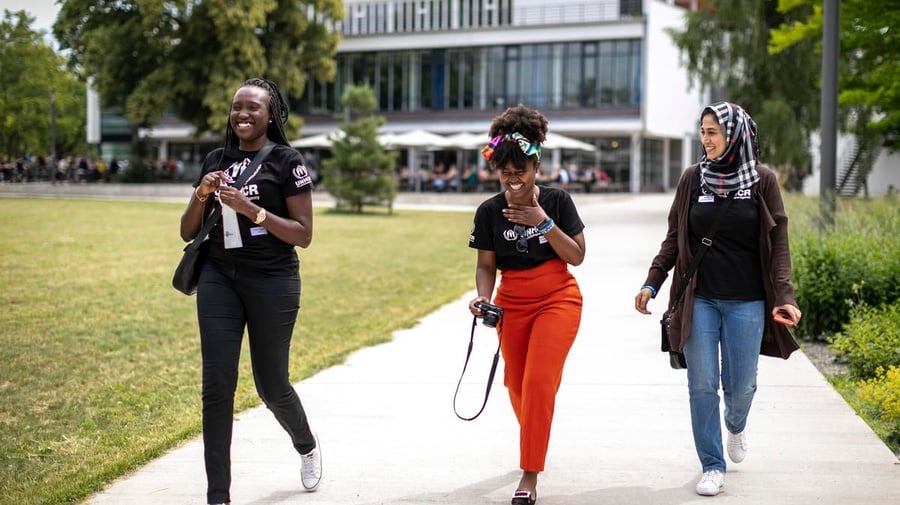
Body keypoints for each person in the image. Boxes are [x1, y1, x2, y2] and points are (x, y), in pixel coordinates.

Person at [634, 102, 802, 497]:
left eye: (713, 131)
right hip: (701, 299)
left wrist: (784, 296)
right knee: (702, 384)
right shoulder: (693, 179)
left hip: (747, 301)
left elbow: (779, 245)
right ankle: (712, 464)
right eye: (703, 131)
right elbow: (675, 237)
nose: (706, 139)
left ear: (735, 134)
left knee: (740, 387)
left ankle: (737, 424)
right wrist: (652, 282)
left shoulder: (762, 181)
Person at [179, 77, 321, 505]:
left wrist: (252, 209)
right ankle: (218, 495)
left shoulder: (286, 160)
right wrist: (202, 193)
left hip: (272, 280)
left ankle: (306, 444)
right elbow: (187, 230)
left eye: (252, 108)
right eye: (237, 106)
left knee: (271, 383)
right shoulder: (216, 158)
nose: (242, 114)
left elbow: (303, 234)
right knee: (217, 383)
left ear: (270, 115)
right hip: (219, 276)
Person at [468, 104, 586, 505]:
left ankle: (529, 476)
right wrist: (483, 299)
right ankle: (536, 434)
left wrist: (542, 221)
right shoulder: (488, 212)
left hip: (557, 299)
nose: (513, 178)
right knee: (516, 385)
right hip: (511, 304)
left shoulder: (557, 201)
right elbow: (486, 265)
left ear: (536, 167)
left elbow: (576, 256)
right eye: (506, 171)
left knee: (537, 383)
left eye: (521, 170)